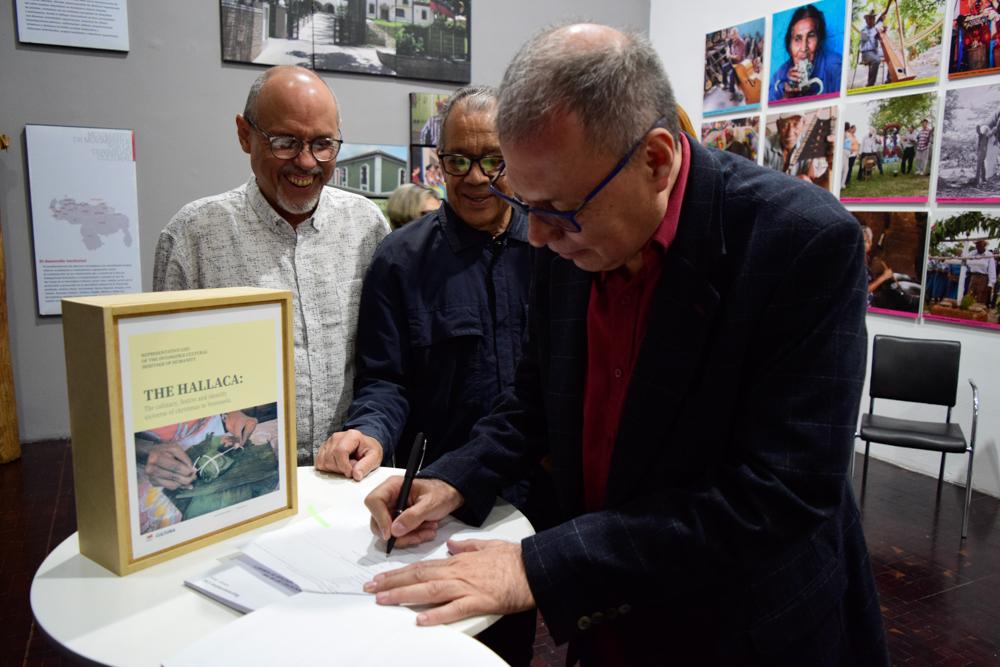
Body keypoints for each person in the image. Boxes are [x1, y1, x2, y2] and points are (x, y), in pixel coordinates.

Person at [362, 23, 888, 665]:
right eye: (523, 203)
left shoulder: (799, 243)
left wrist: (541, 567)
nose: (536, 236)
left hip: (740, 631)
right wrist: (451, 479)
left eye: (556, 210)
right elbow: (534, 403)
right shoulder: (568, 226)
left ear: (657, 161)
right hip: (609, 626)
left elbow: (779, 493)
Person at [316, 86, 540, 666]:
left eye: (492, 160)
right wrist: (369, 430)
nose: (474, 177)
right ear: (436, 164)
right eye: (458, 160)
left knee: (509, 643)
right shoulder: (400, 260)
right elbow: (385, 380)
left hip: (537, 502)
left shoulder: (554, 248)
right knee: (428, 639)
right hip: (436, 505)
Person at [153, 66, 391, 465]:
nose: (306, 161)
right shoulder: (192, 237)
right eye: (285, 142)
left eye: (323, 144)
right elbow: (162, 384)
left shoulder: (367, 226)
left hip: (349, 472)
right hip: (241, 475)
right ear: (244, 134)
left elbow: (386, 361)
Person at [772, 4, 843, 100]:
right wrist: (787, 98)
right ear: (789, 45)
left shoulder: (836, 68)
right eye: (797, 39)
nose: (803, 48)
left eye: (811, 36)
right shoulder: (780, 76)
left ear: (819, 40)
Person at [763, 112, 830, 184]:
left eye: (796, 124)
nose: (790, 133)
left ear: (803, 124)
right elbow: (764, 182)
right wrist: (794, 181)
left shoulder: (811, 143)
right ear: (778, 125)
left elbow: (815, 180)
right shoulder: (764, 146)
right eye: (785, 125)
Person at [862, 225, 893, 305]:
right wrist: (884, 277)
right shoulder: (858, 262)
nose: (863, 244)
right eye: (862, 241)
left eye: (866, 241)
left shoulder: (865, 256)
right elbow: (864, 290)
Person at [859, 8, 889, 87]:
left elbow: (878, 34)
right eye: (870, 18)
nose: (872, 20)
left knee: (889, 55)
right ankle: (870, 84)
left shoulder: (875, 28)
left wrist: (884, 31)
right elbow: (868, 38)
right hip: (866, 53)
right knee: (876, 60)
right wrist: (878, 29)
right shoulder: (863, 31)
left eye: (873, 18)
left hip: (875, 52)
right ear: (866, 20)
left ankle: (889, 79)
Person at [963, 239, 997, 305]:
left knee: (981, 297)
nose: (977, 246)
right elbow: (964, 260)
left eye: (979, 245)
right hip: (973, 277)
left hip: (983, 278)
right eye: (976, 245)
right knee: (970, 295)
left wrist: (990, 284)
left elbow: (992, 270)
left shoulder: (989, 255)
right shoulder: (972, 253)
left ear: (984, 245)